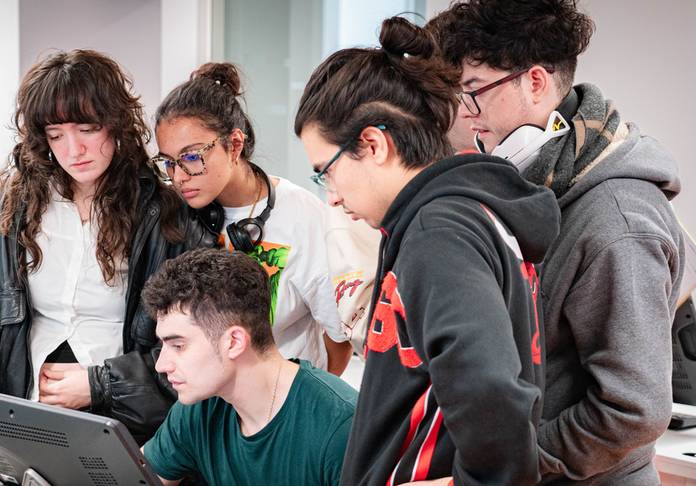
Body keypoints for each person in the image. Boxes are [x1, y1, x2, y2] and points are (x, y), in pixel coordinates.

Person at [295, 16, 560, 486]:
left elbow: (494, 396)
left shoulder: (439, 233)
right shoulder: (459, 216)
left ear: (373, 144)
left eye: (326, 171)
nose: (330, 196)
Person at [428, 1, 685, 483]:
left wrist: (509, 463)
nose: (465, 114)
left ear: (536, 82)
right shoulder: (532, 188)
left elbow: (634, 412)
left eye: (473, 93)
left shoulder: (617, 220)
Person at [0, 49, 212, 444]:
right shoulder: (9, 206)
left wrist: (100, 385)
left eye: (86, 129)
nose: (73, 150)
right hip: (20, 412)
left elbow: (194, 351)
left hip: (125, 423)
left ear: (116, 124)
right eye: (55, 135)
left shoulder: (162, 215)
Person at [150, 63, 354, 374]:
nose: (179, 176)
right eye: (169, 162)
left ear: (234, 145)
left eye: (192, 157)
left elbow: (339, 339)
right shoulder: (172, 213)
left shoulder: (303, 216)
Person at [140, 248, 357, 486]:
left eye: (178, 346)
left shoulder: (340, 429)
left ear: (234, 342)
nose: (161, 365)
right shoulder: (198, 408)